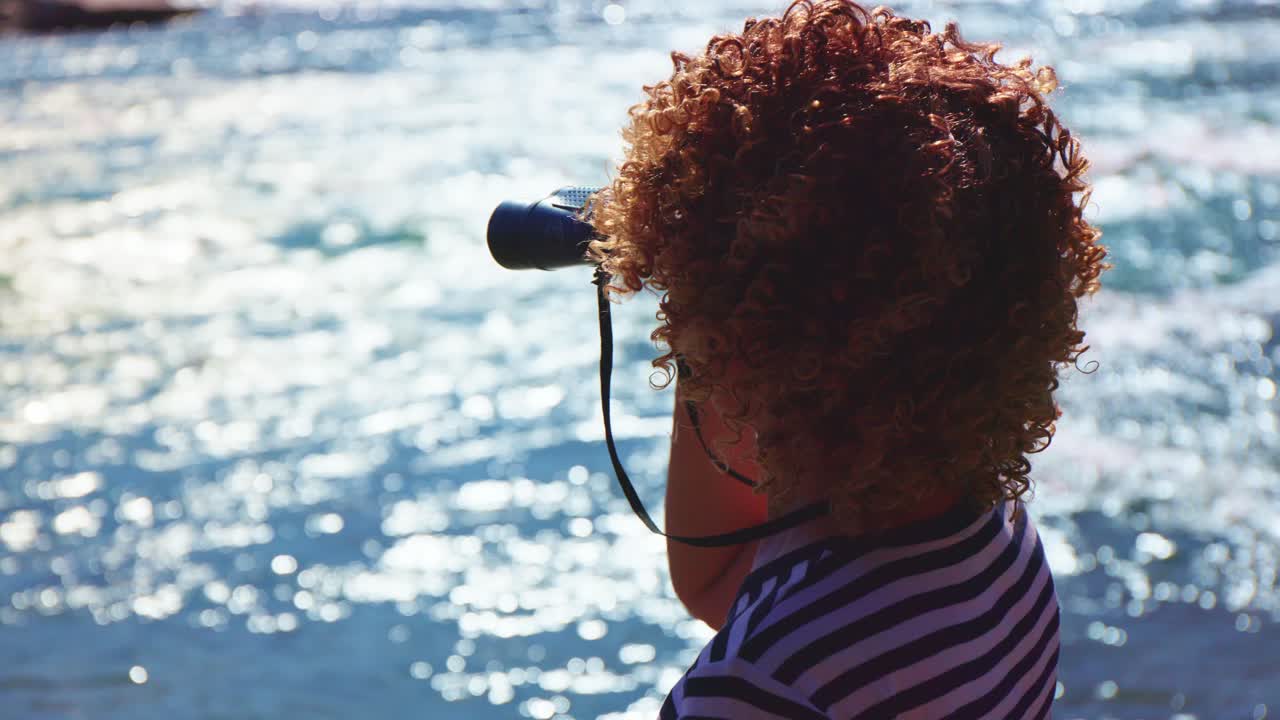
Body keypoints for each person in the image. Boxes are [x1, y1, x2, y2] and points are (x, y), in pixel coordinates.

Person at [587, 0, 1109, 717]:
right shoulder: (996, 542)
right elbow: (718, 582)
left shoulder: (758, 687)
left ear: (744, 334)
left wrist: (705, 320)